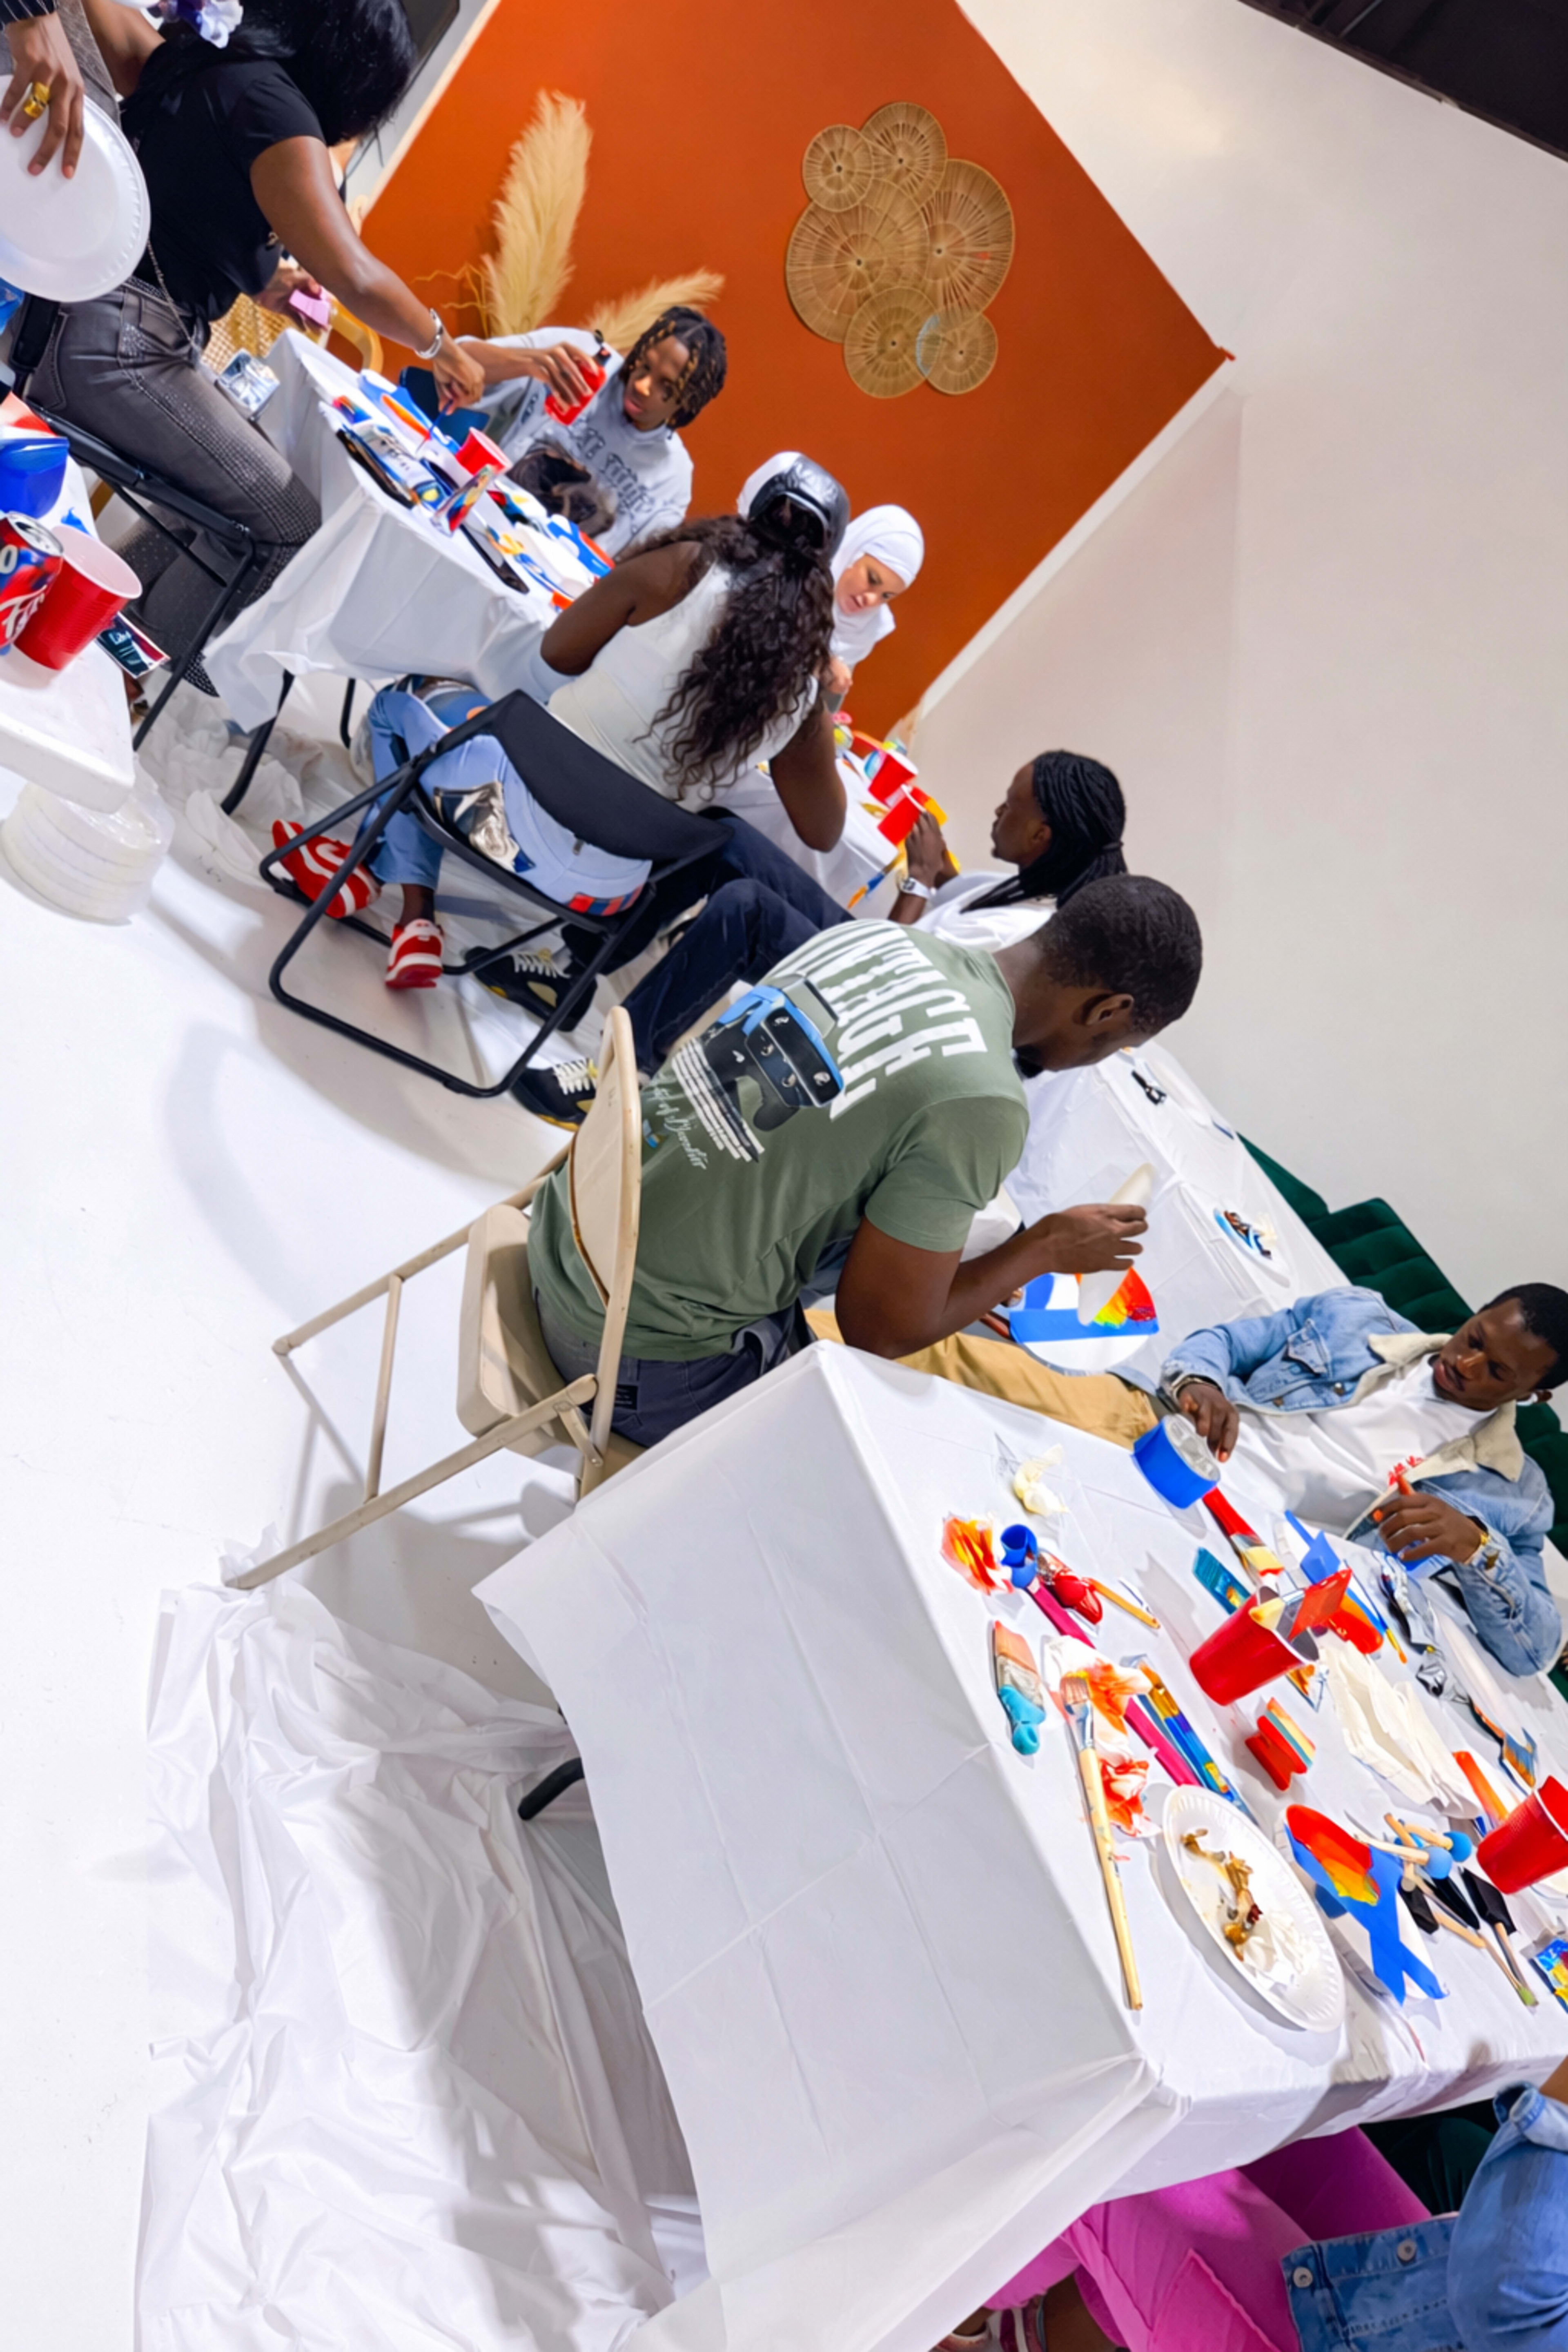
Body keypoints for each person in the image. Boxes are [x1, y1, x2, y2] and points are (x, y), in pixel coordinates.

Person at [524, 874, 1203, 1450]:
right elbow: (879, 1333)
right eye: (1122, 1043)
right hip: (626, 1350)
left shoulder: (877, 939)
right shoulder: (984, 1101)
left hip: (562, 1229)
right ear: (1110, 1010)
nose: (1103, 1059)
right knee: (877, 1453)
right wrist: (1043, 1247)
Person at [277, 458, 854, 1048]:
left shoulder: (680, 569)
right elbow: (824, 830)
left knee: (406, 707)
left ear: (747, 512)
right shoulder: (802, 691)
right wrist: (812, 711)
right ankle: (389, 885)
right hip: (608, 890)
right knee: (469, 741)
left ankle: (410, 905)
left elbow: (556, 655)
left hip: (507, 811)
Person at [27, 1, 486, 675]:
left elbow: (187, 202)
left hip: (78, 313)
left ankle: (96, 631)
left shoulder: (210, 63)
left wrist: (269, 283)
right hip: (117, 345)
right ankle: (114, 670)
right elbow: (358, 275)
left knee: (230, 502)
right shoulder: (279, 109)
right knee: (289, 530)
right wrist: (444, 345)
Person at [895, 1282, 1568, 1677]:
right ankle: (802, 1338)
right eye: (1475, 1336)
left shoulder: (1512, 1491)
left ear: (1533, 1395)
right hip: (1168, 1443)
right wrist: (1201, 1382)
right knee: (966, 1360)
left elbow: (1534, 1650)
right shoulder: (1358, 1317)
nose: (1467, 1363)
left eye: (1497, 1372)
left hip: (1253, 1564)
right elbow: (1221, 1344)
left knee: (1100, 1647)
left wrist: (1479, 1549)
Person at [536, 747, 1130, 1132]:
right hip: (872, 954)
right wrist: (936, 878)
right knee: (727, 839)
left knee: (746, 910)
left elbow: (900, 975)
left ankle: (620, 1070)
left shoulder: (1022, 929)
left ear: (1041, 835)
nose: (997, 810)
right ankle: (577, 968)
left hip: (868, 997)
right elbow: (940, 917)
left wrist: (919, 880)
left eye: (1011, 804)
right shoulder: (1017, 888)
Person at [939, 2057, 1568, 2351]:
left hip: (1481, 2309)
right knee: (1269, 2097)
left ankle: (929, 2313)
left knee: (1109, 2130)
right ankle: (1017, 2334)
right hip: (1454, 2294)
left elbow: (1510, 2291)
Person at [457, 306, 727, 556]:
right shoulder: (583, 358)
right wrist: (530, 362)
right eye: (645, 365)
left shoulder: (672, 478)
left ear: (688, 403)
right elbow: (456, 360)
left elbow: (633, 573)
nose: (643, 386)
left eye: (666, 388)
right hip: (477, 520)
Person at [826, 500, 924, 698]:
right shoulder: (793, 577)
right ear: (852, 553)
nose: (871, 600)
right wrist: (821, 661)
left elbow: (827, 707)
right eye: (872, 580)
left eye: (886, 596)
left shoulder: (865, 631)